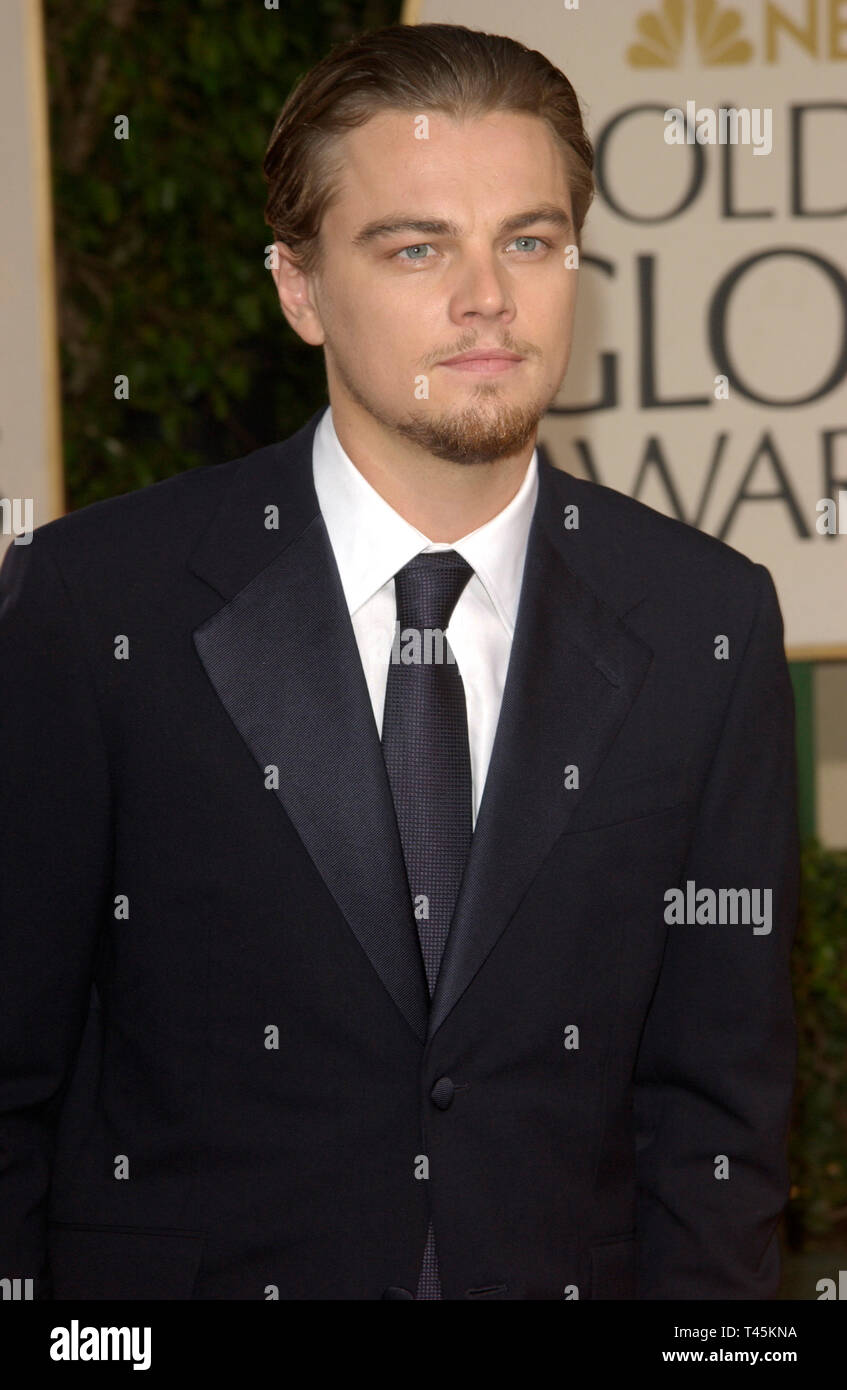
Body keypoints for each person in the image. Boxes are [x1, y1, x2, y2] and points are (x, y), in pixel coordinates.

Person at [0, 22, 798, 1300]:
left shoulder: (705, 621)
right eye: (417, 246)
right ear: (299, 288)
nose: (488, 295)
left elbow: (719, 1119)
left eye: (528, 241)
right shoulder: (99, 603)